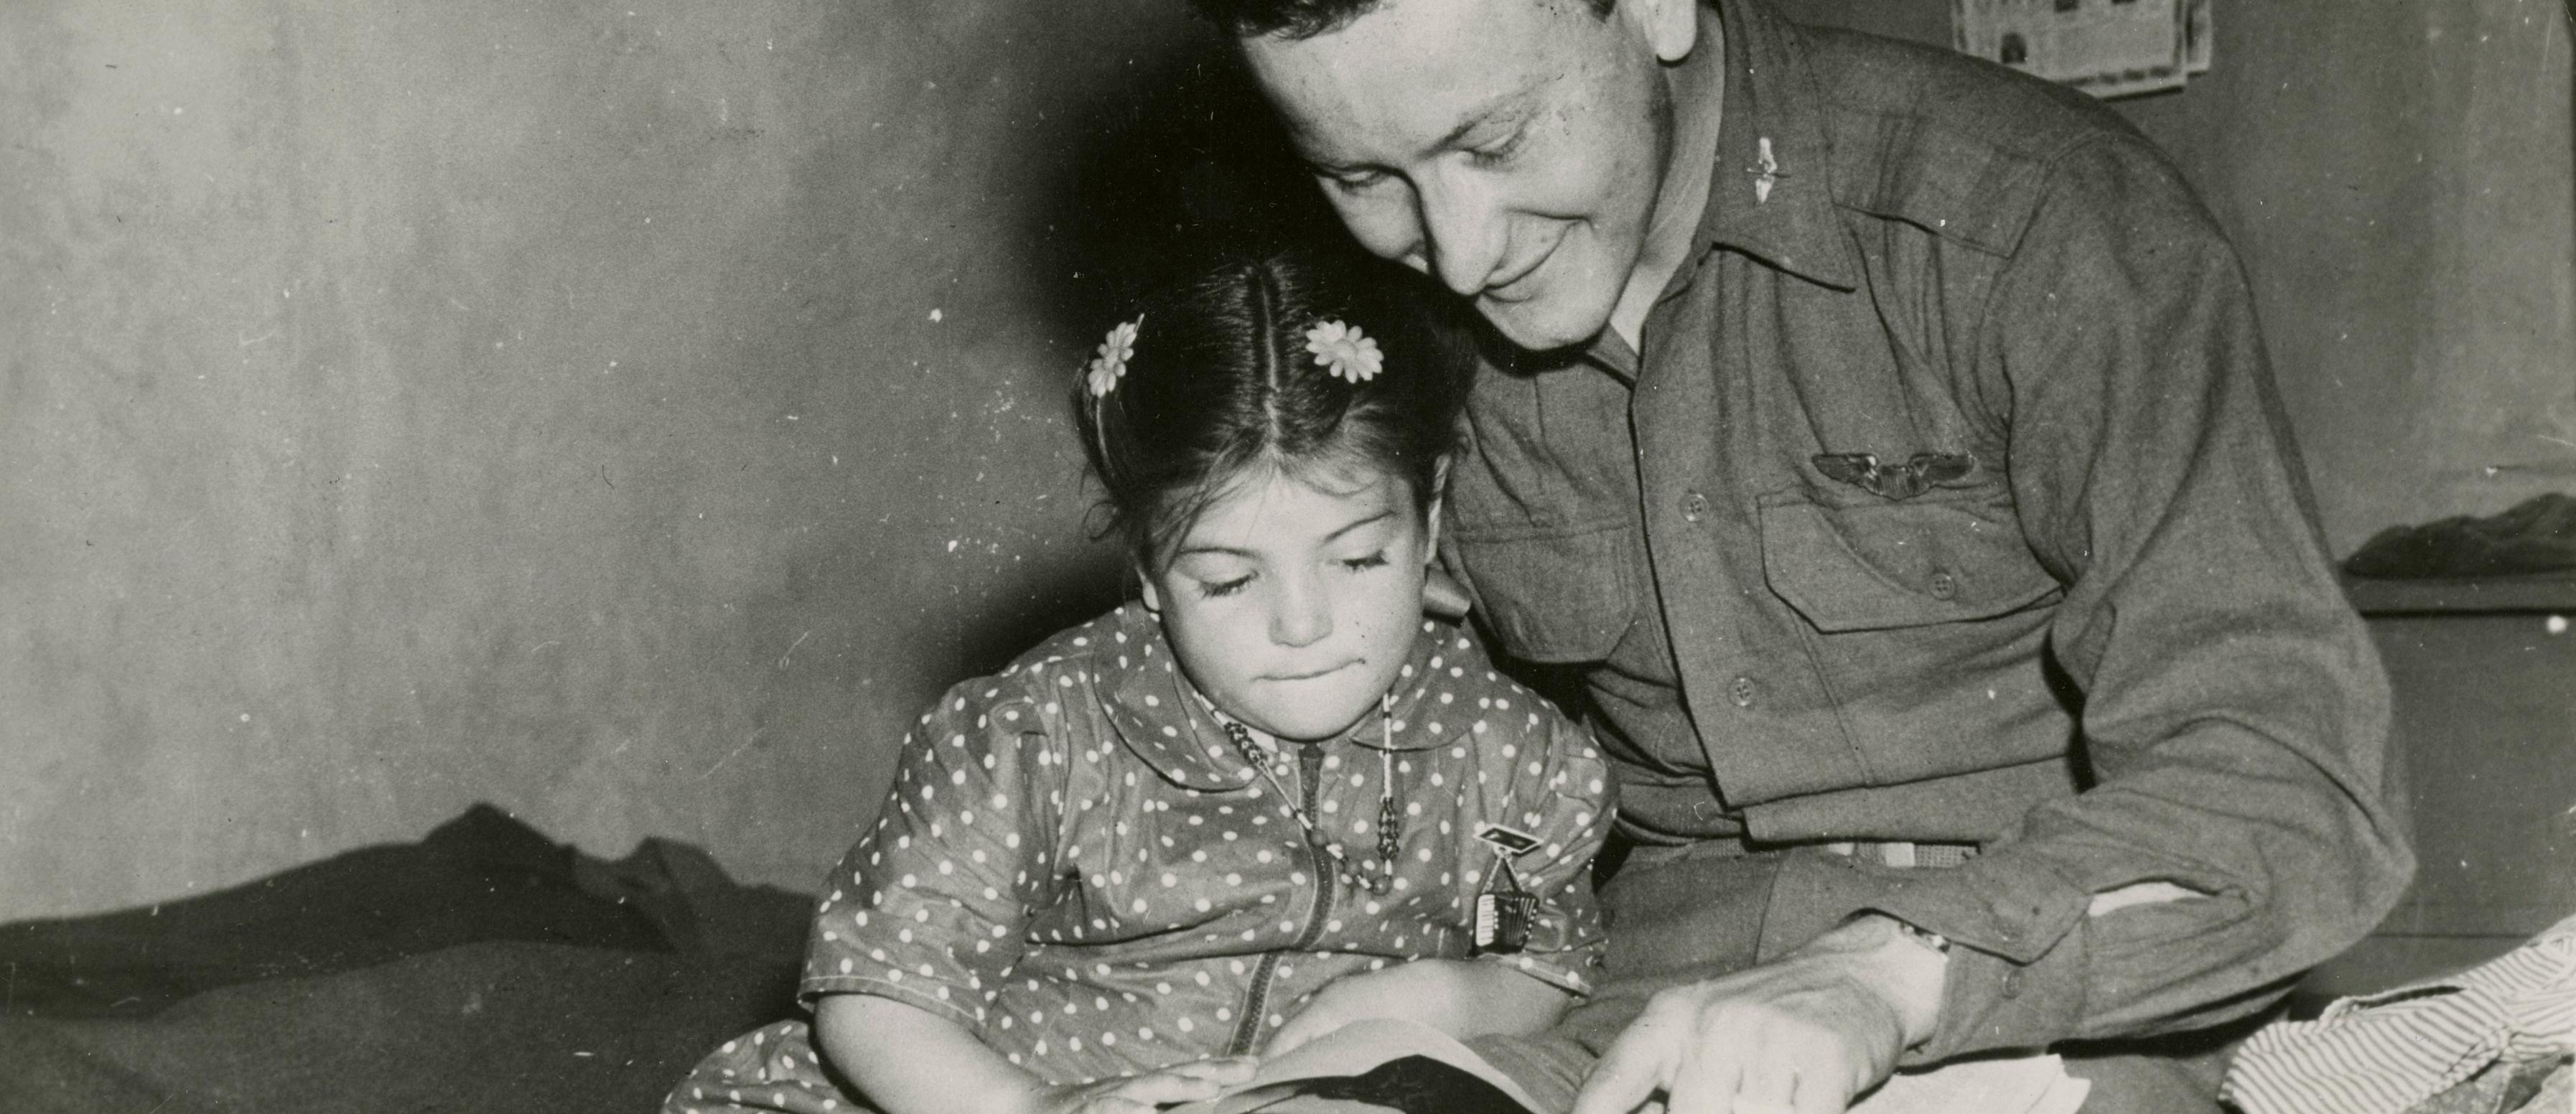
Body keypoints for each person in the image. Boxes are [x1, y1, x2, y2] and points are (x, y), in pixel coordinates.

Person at [1185, 0, 2418, 1111]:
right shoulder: (1371, 326)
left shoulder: (2033, 217)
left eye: (1495, 144)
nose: (1456, 252)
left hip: (2038, 999)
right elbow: (1410, 747)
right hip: (1623, 1015)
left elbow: (2291, 787)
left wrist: (1885, 978)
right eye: (1362, 177)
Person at [664, 249, 1615, 1114]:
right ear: (1152, 570)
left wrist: (1439, 995)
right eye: (1230, 578)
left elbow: (1543, 960)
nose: (1303, 622)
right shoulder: (1041, 735)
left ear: (1432, 513)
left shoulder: (1513, 759)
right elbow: (876, 995)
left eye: (1359, 558)